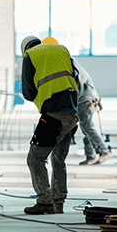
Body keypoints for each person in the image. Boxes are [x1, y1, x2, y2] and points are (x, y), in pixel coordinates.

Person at [20, 35, 79, 215]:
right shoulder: (62, 49)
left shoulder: (29, 56)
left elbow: (28, 92)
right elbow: (75, 78)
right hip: (71, 113)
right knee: (58, 159)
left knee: (35, 158)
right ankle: (58, 202)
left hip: (53, 115)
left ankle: (44, 201)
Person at [72, 59, 112, 165]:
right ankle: (90, 156)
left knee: (88, 127)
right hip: (87, 98)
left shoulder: (70, 68)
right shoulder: (75, 66)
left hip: (85, 100)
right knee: (86, 128)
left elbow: (76, 87)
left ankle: (104, 152)